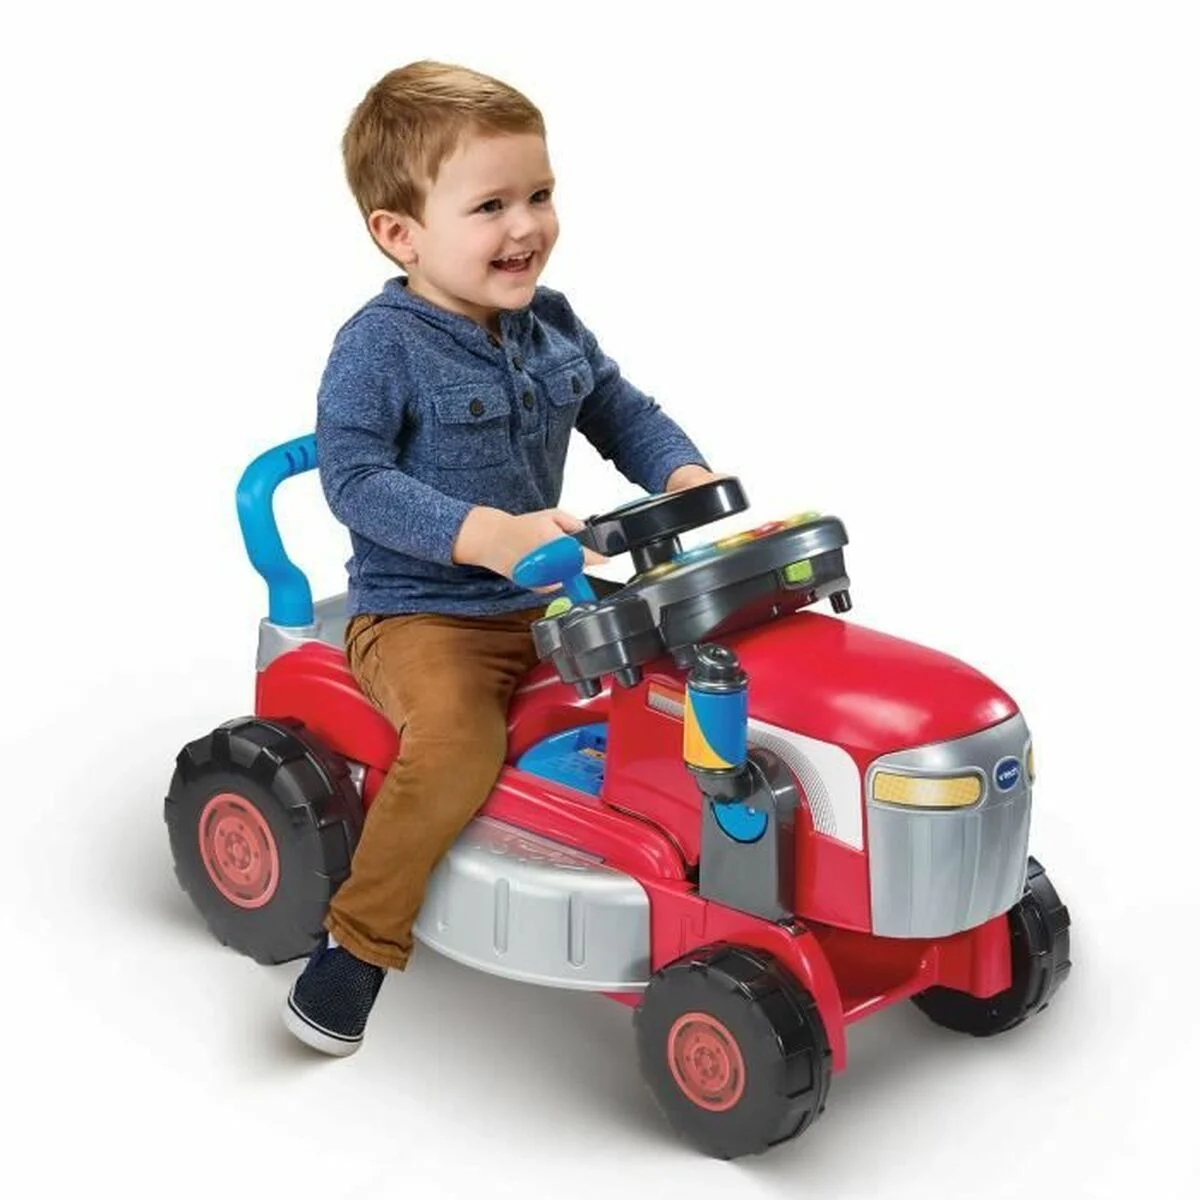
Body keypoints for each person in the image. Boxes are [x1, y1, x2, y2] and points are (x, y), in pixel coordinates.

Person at [285, 60, 718, 1056]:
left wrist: (683, 472)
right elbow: (353, 478)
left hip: (550, 594)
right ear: (400, 233)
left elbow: (620, 410)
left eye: (539, 194)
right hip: (424, 615)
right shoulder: (379, 346)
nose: (526, 226)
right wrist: (484, 534)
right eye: (490, 206)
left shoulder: (550, 321)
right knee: (455, 748)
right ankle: (355, 949)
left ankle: (686, 868)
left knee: (682, 670)